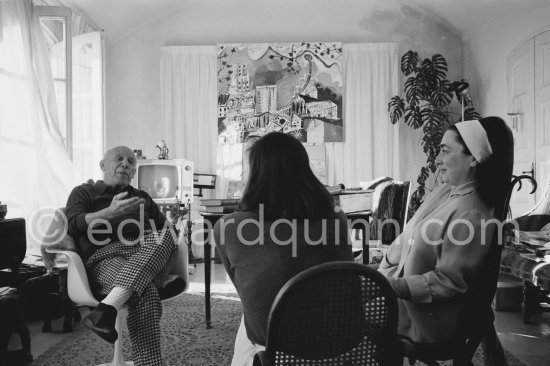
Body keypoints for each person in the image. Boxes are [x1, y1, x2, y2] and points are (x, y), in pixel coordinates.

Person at [214, 132, 353, 366]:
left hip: (276, 349)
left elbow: (245, 289)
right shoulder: (337, 218)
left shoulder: (228, 227)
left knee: (247, 320)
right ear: (304, 170)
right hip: (342, 342)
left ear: (256, 173)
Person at [378, 117, 514, 343]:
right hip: (401, 299)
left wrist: (389, 285)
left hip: (424, 320)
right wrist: (380, 272)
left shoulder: (471, 213)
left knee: (341, 314)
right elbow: (407, 240)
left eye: (445, 151)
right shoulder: (447, 192)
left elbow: (448, 281)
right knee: (340, 297)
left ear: (472, 158)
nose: (437, 160)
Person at [65, 146, 181, 366]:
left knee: (167, 234)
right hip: (106, 256)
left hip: (148, 251)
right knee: (145, 292)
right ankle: (149, 363)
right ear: (102, 165)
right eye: (119, 159)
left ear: (133, 173)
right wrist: (109, 212)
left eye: (130, 162)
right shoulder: (84, 192)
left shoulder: (142, 197)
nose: (125, 164)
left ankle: (106, 308)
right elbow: (72, 225)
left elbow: (168, 231)